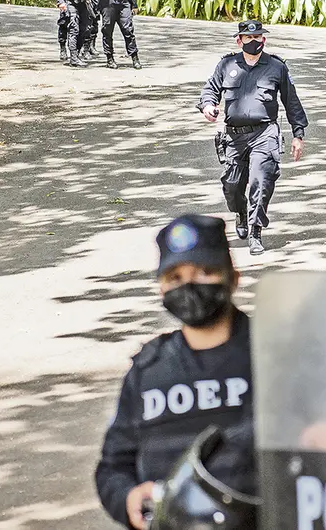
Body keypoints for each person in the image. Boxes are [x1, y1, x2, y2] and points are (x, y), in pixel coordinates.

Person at [94, 214, 255, 530]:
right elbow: (113, 466)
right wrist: (128, 497)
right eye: (175, 277)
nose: (189, 286)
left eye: (205, 272)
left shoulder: (275, 354)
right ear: (161, 289)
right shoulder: (148, 370)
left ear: (234, 277)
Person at [198, 20, 309, 255]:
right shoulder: (227, 65)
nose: (254, 41)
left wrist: (298, 134)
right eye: (248, 38)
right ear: (239, 41)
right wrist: (208, 105)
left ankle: (256, 231)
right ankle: (240, 212)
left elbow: (291, 101)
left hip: (264, 133)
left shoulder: (276, 67)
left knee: (261, 180)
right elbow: (210, 89)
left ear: (263, 40)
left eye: (257, 37)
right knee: (232, 185)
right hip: (234, 137)